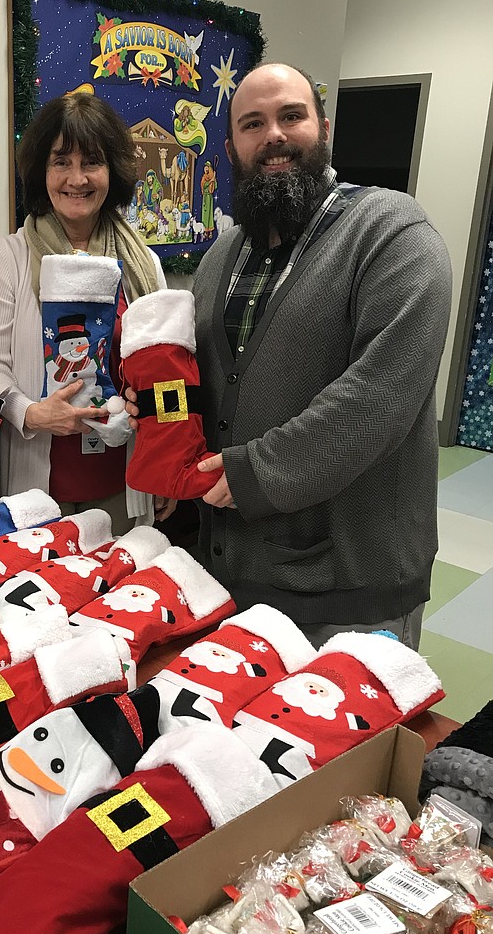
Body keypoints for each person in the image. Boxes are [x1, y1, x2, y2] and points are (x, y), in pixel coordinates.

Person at [132, 63, 452, 650]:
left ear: (322, 127)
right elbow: (202, 382)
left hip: (350, 585)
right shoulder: (221, 256)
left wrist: (255, 473)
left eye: (291, 116)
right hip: (232, 570)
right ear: (231, 146)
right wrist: (155, 404)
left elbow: (379, 399)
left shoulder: (393, 234)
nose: (273, 134)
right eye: (253, 123)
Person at [0, 92, 172, 534]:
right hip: (38, 482)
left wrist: (163, 464)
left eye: (91, 162)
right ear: (41, 172)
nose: (76, 178)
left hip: (122, 478)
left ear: (111, 171)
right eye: (61, 162)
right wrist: (31, 412)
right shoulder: (10, 259)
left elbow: (161, 369)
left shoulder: (144, 264)